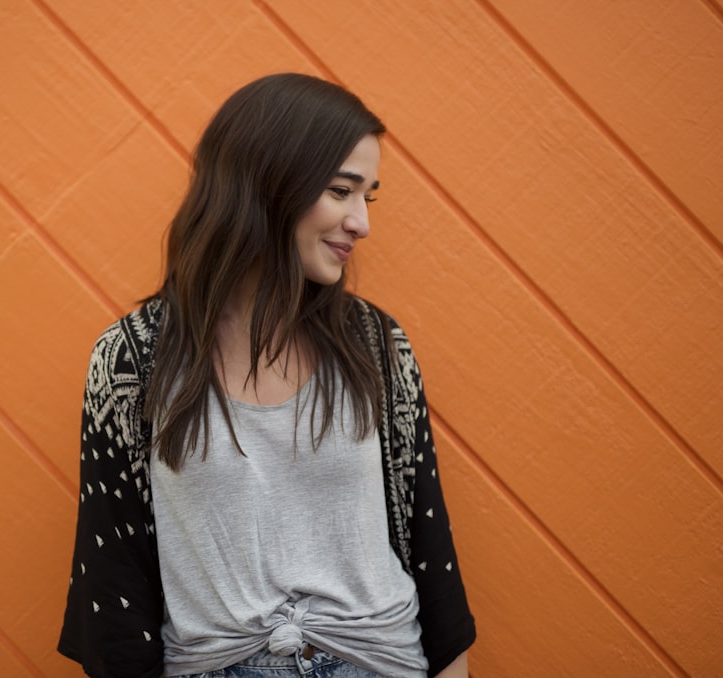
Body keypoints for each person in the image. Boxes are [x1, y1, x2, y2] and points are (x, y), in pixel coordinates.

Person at [58, 73, 475, 678]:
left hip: (379, 662)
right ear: (267, 184)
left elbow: (427, 538)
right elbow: (112, 581)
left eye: (368, 197)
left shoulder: (374, 345)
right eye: (341, 190)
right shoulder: (133, 359)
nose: (361, 222)